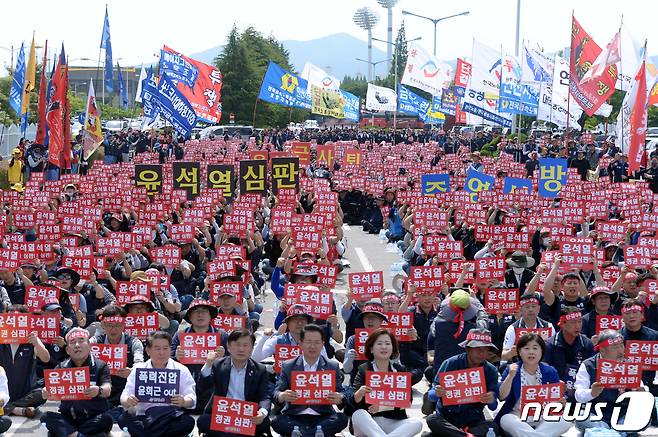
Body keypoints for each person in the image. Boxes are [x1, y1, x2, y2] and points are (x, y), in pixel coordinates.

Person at [272, 324, 348, 437]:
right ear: (301, 343)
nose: (312, 346)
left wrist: (340, 397)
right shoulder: (288, 366)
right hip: (295, 415)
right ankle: (316, 432)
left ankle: (301, 433)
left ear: (323, 344)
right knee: (276, 421)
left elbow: (342, 392)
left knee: (342, 419)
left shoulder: (332, 366)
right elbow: (276, 393)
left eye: (317, 342)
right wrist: (282, 395)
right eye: (308, 342)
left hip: (323, 415)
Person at [197, 329, 274, 437]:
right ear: (228, 347)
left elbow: (265, 396)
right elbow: (203, 388)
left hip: (246, 416)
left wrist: (262, 412)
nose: (241, 349)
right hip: (222, 415)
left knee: (264, 423)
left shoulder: (259, 369)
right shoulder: (218, 365)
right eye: (237, 344)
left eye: (246, 345)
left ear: (252, 348)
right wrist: (208, 365)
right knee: (203, 421)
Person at [119, 331, 197, 437]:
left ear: (170, 350)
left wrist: (183, 401)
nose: (162, 353)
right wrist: (128, 400)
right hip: (144, 416)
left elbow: (192, 399)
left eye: (165, 348)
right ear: (148, 351)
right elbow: (124, 396)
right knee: (123, 419)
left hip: (170, 416)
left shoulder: (181, 369)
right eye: (157, 348)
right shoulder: (139, 369)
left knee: (188, 422)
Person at [349, 328, 424, 437]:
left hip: (394, 422)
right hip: (370, 423)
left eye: (387, 343)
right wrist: (359, 394)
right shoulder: (364, 369)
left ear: (393, 349)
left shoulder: (400, 371)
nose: (384, 347)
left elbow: (408, 401)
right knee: (358, 414)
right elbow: (352, 402)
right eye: (379, 343)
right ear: (371, 349)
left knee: (417, 423)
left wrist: (383, 407)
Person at [426, 328, 500, 437]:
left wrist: (491, 399)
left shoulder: (491, 370)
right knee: (431, 419)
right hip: (447, 419)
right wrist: (437, 392)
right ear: (467, 349)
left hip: (474, 421)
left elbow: (493, 407)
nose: (482, 353)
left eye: (485, 349)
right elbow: (431, 396)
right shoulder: (450, 363)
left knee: (493, 427)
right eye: (477, 348)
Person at [40, 328, 114, 437]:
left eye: (81, 341)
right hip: (69, 417)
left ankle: (70, 433)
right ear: (67, 350)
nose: (77, 345)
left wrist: (98, 390)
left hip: (93, 418)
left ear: (89, 346)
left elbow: (107, 388)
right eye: (73, 342)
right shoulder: (61, 367)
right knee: (46, 417)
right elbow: (48, 389)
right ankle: (78, 435)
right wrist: (45, 392)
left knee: (107, 419)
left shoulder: (100, 365)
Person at [496, 333, 571, 437]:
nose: (531, 352)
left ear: (542, 351)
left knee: (565, 419)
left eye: (535, 348)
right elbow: (501, 397)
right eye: (526, 348)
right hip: (518, 417)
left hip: (544, 417)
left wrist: (560, 402)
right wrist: (510, 376)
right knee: (506, 419)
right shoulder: (511, 369)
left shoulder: (550, 371)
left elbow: (557, 401)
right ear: (519, 352)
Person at [574, 329, 646, 432]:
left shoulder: (629, 365)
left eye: (621, 345)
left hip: (622, 414)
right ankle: (615, 432)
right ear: (602, 350)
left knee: (643, 417)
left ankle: (607, 433)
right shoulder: (588, 365)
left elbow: (641, 388)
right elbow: (578, 395)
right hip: (596, 412)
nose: (621, 350)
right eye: (615, 347)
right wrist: (592, 393)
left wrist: (641, 392)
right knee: (581, 417)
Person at [543, 306, 594, 400]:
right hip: (556, 393)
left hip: (581, 392)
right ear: (562, 324)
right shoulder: (549, 345)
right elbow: (544, 371)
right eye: (573, 322)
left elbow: (592, 370)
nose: (578, 326)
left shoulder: (587, 344)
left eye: (580, 321)